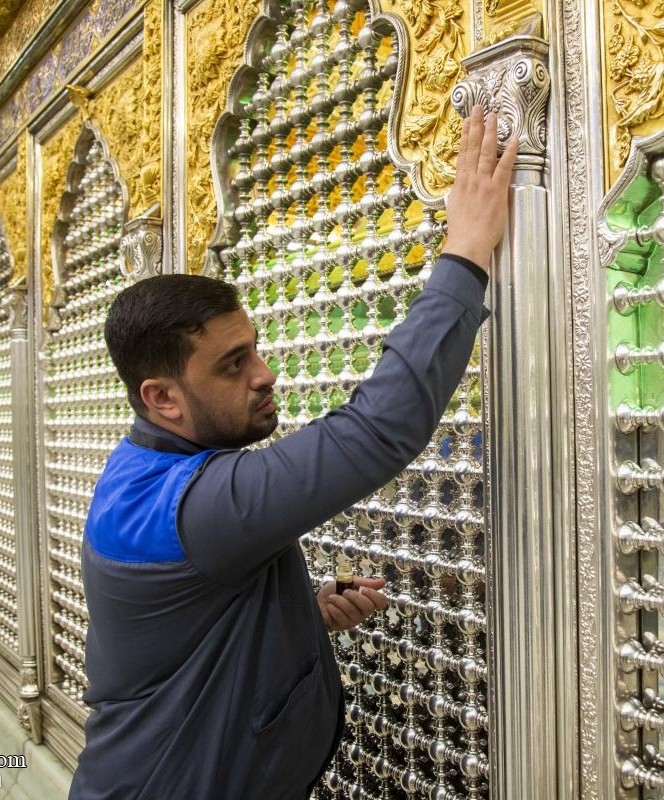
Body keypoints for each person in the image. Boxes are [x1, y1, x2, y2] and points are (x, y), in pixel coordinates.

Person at [68, 106, 518, 799]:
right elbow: (373, 433)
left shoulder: (144, 474)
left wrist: (298, 615)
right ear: (162, 398)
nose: (265, 375)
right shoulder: (197, 506)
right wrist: (467, 252)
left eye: (255, 350)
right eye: (233, 364)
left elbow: (192, 632)